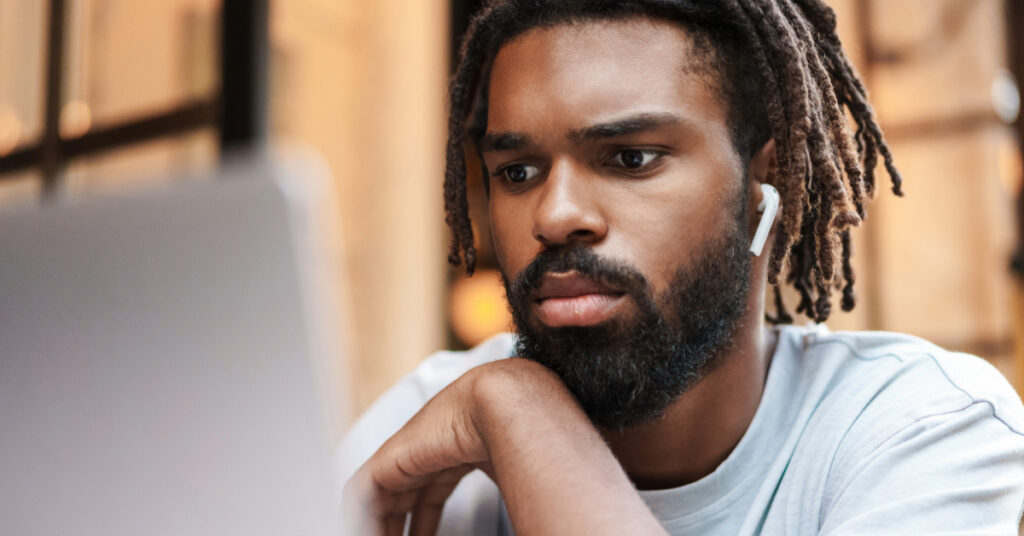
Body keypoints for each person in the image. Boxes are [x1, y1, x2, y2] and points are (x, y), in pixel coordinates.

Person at [339, 1, 1024, 534]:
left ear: (769, 176)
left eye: (630, 157)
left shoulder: (919, 425)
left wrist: (523, 415)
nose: (554, 214)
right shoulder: (429, 419)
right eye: (517, 171)